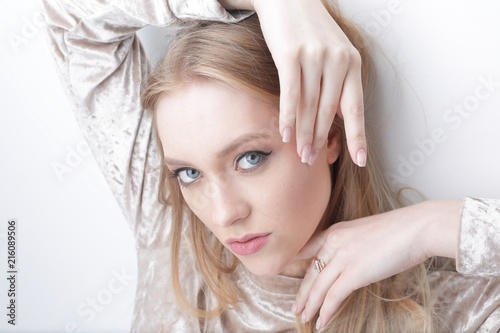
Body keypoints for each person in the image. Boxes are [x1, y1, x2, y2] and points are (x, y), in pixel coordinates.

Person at [43, 0, 500, 332]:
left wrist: (436, 225)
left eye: (250, 158)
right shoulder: (170, 229)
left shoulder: (449, 311)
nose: (223, 215)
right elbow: (69, 13)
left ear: (330, 137)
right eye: (189, 173)